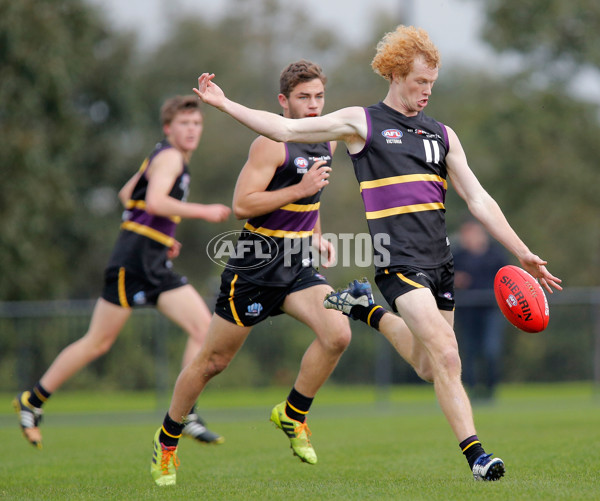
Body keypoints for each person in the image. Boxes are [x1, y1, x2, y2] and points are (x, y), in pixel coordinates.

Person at [191, 25, 563, 482]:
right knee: (448, 355)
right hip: (399, 264)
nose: (427, 92)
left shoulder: (442, 135)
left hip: (440, 263)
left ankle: (367, 311)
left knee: (430, 366)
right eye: (419, 82)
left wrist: (522, 251)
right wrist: (225, 104)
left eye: (432, 83)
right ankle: (478, 457)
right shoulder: (361, 123)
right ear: (395, 74)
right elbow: (286, 128)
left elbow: (480, 199)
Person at [150, 60, 351, 486]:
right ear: (284, 101)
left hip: (297, 262)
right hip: (257, 264)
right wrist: (298, 189)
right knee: (212, 362)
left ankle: (292, 414)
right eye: (303, 98)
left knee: (337, 333)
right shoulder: (269, 144)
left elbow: (311, 201)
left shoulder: (327, 141)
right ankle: (167, 440)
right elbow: (243, 205)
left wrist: (317, 234)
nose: (313, 106)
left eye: (318, 97)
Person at [13, 95, 231, 449]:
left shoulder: (163, 156)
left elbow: (128, 193)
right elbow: (155, 201)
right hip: (134, 262)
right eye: (184, 124)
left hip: (150, 258)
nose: (192, 130)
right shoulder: (172, 157)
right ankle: (32, 401)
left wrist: (159, 236)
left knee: (202, 328)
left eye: (197, 124)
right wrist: (203, 210)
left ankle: (186, 412)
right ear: (168, 128)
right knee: (98, 342)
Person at [453, 219, 509, 401]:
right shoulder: (458, 257)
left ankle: (491, 390)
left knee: (490, 350)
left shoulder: (495, 255)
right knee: (468, 352)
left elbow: (507, 280)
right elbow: (444, 277)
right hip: (467, 312)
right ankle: (472, 391)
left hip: (490, 310)